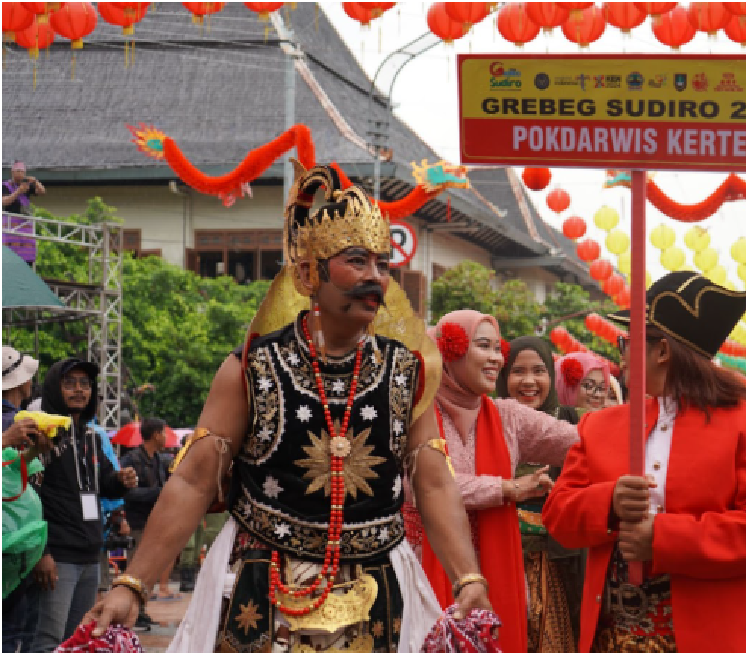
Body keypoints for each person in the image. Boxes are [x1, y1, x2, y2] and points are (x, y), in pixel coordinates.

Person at [82, 163, 491, 652]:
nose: (374, 278)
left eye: (382, 265)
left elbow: (433, 478)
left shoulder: (409, 372)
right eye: (356, 261)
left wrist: (467, 577)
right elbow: (192, 480)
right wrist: (134, 584)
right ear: (306, 274)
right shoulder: (251, 368)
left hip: (379, 588)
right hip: (265, 586)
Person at [544, 271, 746, 652]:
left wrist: (663, 538)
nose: (620, 351)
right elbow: (558, 515)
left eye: (627, 341)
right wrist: (608, 502)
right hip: (612, 638)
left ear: (662, 351)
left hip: (708, 638)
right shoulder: (599, 426)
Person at [406, 311, 580, 653]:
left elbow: (580, 441)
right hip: (425, 565)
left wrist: (638, 422)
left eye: (497, 348)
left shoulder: (507, 415)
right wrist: (507, 489)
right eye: (483, 346)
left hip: (494, 567)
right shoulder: (415, 409)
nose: (497, 358)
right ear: (449, 350)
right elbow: (423, 486)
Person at [31, 359, 137, 653]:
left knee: (77, 640)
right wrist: (43, 552)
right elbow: (30, 497)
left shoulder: (90, 436)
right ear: (54, 387)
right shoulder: (41, 435)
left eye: (85, 383)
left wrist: (121, 479)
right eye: (70, 383)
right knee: (47, 641)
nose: (79, 390)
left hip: (90, 553)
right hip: (57, 557)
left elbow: (102, 483)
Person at [497, 336, 582, 653]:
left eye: (539, 371)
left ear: (552, 376)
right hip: (499, 561)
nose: (528, 381)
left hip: (557, 567)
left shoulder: (571, 423)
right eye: (518, 371)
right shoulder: (488, 423)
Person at [2, 346, 48, 653]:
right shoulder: (12, 421)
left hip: (15, 541)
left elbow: (11, 472)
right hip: (9, 543)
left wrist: (35, 451)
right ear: (23, 383)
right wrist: (6, 438)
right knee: (10, 632)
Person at [119, 418, 177, 601]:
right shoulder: (131, 459)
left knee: (149, 569)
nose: (166, 437)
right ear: (155, 435)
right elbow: (127, 493)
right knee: (135, 569)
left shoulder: (160, 460)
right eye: (164, 433)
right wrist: (157, 492)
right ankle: (131, 607)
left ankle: (141, 608)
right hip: (136, 522)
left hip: (154, 522)